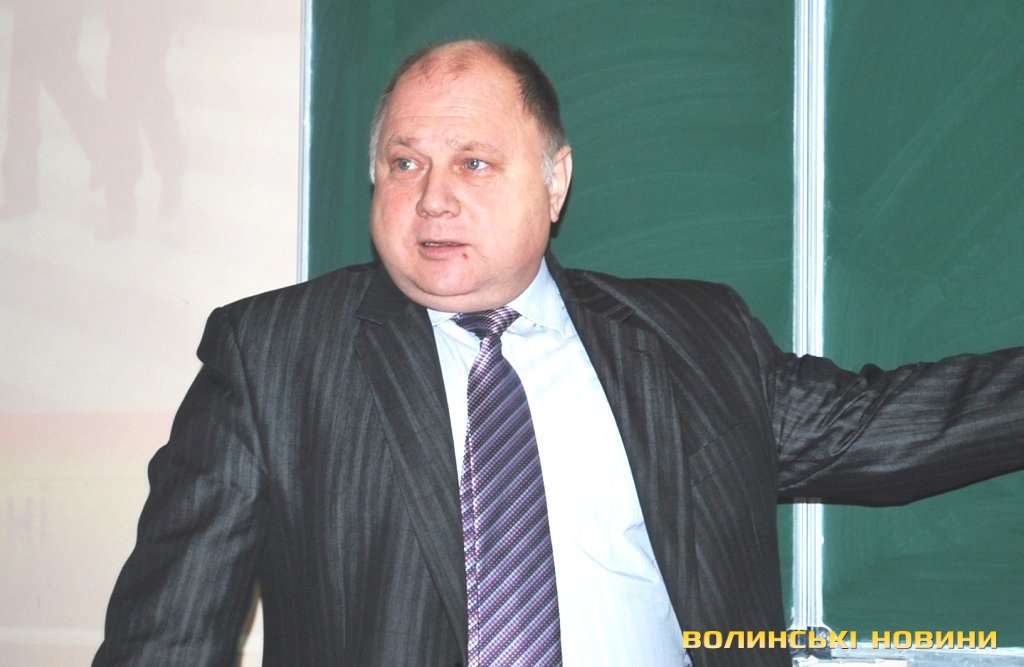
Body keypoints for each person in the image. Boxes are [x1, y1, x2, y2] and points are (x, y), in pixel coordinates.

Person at [93, 40, 1024, 667]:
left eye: (474, 162)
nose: (433, 198)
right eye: (406, 163)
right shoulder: (273, 358)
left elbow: (902, 425)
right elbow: (167, 634)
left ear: (555, 181)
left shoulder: (692, 342)